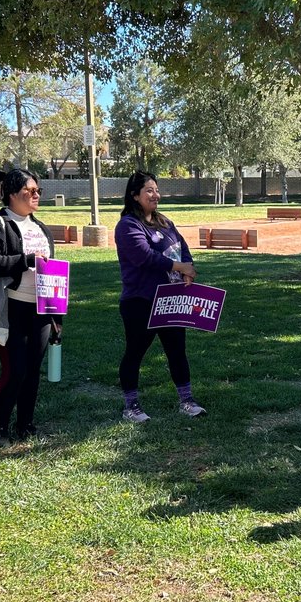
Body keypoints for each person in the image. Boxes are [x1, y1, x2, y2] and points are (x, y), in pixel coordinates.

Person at [0, 168, 60, 446]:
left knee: (33, 370)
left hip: (40, 309)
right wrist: (25, 260)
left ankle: (25, 424)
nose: (36, 195)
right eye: (30, 191)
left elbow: (53, 271)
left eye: (38, 191)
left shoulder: (41, 228)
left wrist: (56, 315)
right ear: (13, 194)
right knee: (15, 370)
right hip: (10, 308)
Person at [114, 171, 204, 422]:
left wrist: (188, 268)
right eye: (149, 191)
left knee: (177, 351)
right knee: (135, 352)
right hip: (140, 301)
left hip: (171, 299)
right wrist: (179, 268)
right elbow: (144, 256)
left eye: (156, 190)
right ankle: (131, 407)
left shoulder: (164, 222)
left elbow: (182, 248)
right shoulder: (128, 225)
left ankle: (187, 401)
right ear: (134, 196)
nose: (155, 195)